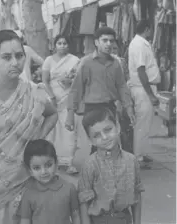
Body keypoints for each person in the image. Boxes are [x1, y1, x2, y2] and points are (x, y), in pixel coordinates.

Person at [0, 30, 58, 224]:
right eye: (6, 57)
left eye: (19, 55)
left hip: (25, 182)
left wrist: (33, 141)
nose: (15, 62)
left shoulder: (32, 91)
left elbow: (52, 113)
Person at [65, 27, 135, 154]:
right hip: (92, 108)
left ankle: (112, 170)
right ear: (96, 42)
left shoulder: (115, 63)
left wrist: (129, 108)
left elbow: (122, 86)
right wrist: (70, 114)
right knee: (98, 142)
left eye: (111, 41)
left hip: (110, 107)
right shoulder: (86, 63)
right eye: (105, 40)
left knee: (112, 141)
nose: (109, 44)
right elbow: (76, 89)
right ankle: (96, 171)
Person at [78, 107, 143, 224]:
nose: (104, 137)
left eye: (108, 130)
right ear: (90, 140)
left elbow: (137, 196)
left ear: (117, 127)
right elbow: (84, 202)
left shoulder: (132, 160)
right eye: (97, 135)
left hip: (125, 219)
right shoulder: (90, 165)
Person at [15, 139, 81, 224]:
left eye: (48, 165)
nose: (44, 172)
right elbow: (25, 220)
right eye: (37, 168)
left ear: (56, 163)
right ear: (30, 171)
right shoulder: (28, 193)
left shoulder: (69, 188)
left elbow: (75, 215)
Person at [42, 34, 80, 174]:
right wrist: (51, 96)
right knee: (53, 131)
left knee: (69, 130)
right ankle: (52, 160)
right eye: (59, 43)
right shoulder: (48, 60)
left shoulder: (74, 60)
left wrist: (71, 81)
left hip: (69, 98)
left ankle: (68, 162)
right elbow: (45, 80)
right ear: (54, 45)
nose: (62, 45)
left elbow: (79, 79)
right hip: (52, 99)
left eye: (65, 43)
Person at [128, 20, 161, 166]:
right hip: (142, 88)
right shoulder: (139, 44)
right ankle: (138, 156)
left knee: (146, 122)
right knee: (142, 123)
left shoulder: (140, 43)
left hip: (145, 87)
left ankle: (141, 152)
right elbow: (141, 70)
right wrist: (151, 94)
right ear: (147, 29)